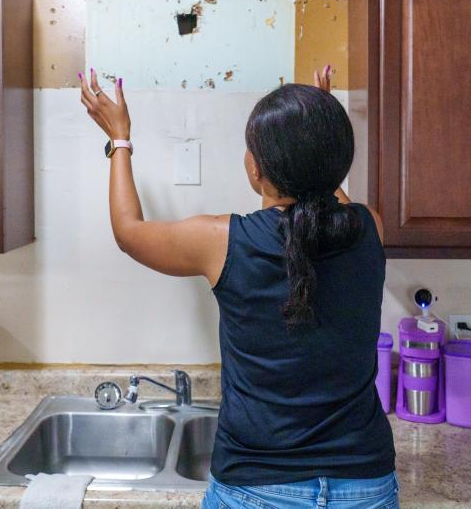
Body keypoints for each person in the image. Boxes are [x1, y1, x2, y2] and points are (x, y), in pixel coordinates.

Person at [78, 65, 398, 509]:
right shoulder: (369, 228)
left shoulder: (225, 242)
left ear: (256, 169)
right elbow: (328, 197)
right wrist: (317, 137)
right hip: (365, 483)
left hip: (257, 487)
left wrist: (120, 139)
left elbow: (129, 232)